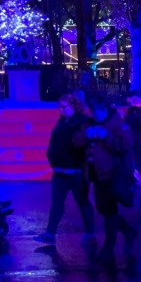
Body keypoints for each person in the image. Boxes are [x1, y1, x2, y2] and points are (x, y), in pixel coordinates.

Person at [73, 98, 137, 263]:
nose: (95, 115)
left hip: (112, 174)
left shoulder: (117, 123)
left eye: (97, 112)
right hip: (96, 173)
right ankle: (127, 231)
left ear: (104, 110)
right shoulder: (91, 122)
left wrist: (105, 137)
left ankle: (108, 248)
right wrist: (86, 136)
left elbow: (127, 144)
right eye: (92, 112)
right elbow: (77, 141)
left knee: (109, 210)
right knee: (103, 209)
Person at [34, 95, 97, 246]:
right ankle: (50, 234)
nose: (60, 110)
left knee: (82, 202)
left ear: (74, 106)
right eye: (60, 107)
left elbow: (85, 144)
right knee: (57, 203)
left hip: (76, 171)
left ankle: (90, 234)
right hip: (60, 170)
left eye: (64, 107)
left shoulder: (83, 121)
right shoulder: (62, 121)